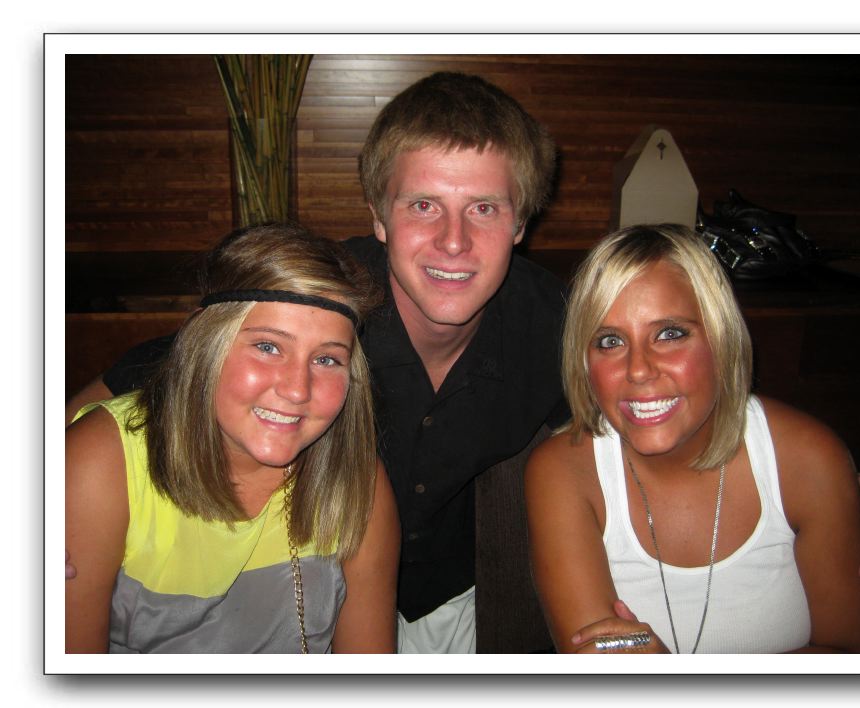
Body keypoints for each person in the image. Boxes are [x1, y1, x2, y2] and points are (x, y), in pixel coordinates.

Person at [65, 72, 569, 653]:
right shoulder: (321, 303)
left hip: (452, 601)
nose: (453, 241)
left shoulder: (554, 325)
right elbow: (150, 379)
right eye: (423, 205)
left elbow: (614, 428)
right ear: (378, 217)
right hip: (313, 586)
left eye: (483, 208)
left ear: (521, 222)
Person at [525, 224, 860, 654]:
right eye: (610, 341)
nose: (639, 370)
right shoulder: (563, 473)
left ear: (720, 339)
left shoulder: (807, 458)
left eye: (669, 334)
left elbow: (853, 656)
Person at [66, 224, 400, 653]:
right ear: (206, 343)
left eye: (326, 359)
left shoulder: (356, 481)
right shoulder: (102, 463)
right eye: (268, 347)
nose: (297, 389)